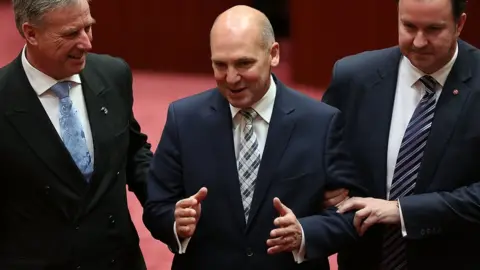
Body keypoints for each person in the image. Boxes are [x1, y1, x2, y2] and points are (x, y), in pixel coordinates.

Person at [142, 5, 366, 270]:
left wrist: (304, 232)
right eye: (220, 65)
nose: (231, 78)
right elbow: (156, 205)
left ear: (273, 54)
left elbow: (350, 213)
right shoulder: (184, 118)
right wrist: (175, 221)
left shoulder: (321, 122)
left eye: (244, 63)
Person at [322, 0, 480, 269]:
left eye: (433, 29)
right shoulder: (353, 77)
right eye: (408, 26)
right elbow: (320, 155)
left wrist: (403, 211)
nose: (418, 42)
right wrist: (323, 188)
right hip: (364, 259)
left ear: (459, 25)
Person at [0, 0, 153, 269]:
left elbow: (132, 152)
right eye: (71, 34)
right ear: (31, 33)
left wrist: (166, 203)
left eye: (88, 28)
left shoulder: (113, 74)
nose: (87, 43)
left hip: (117, 259)